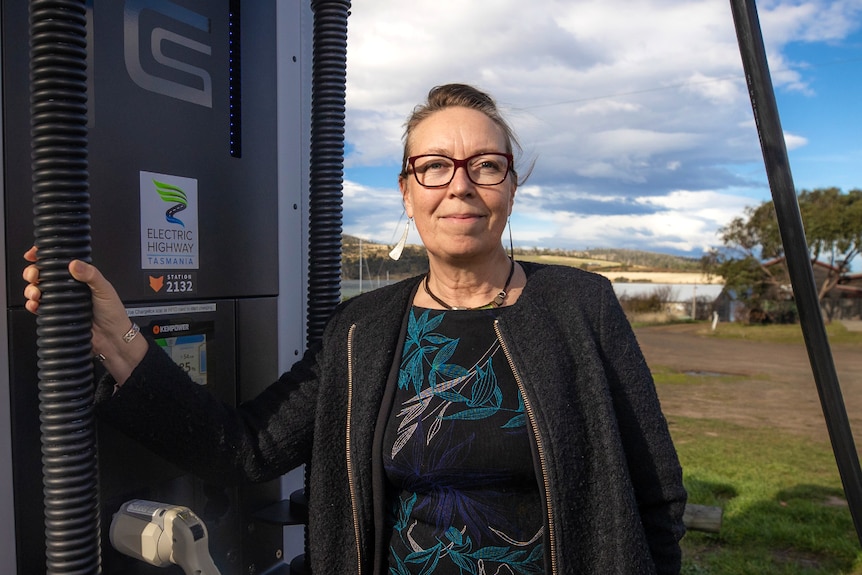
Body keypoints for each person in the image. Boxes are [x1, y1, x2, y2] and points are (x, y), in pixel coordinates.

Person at [24, 83, 687, 574]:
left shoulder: (581, 305)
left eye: (486, 164)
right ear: (406, 190)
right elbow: (244, 447)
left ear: (512, 187)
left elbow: (657, 493)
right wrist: (118, 340)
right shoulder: (361, 329)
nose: (459, 186)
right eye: (434, 166)